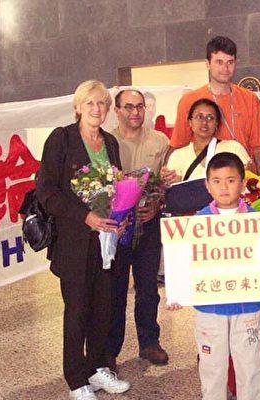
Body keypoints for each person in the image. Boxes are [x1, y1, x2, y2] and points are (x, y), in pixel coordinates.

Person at [35, 80, 130, 400]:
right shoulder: (61, 139)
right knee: (77, 312)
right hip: (74, 243)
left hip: (107, 243)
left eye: (102, 103)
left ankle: (98, 367)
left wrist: (122, 215)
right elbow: (47, 191)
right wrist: (85, 216)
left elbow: (118, 188)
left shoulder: (111, 143)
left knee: (104, 308)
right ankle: (76, 378)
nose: (97, 109)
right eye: (90, 103)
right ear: (78, 107)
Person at [167, 152, 260, 400]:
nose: (224, 187)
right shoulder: (197, 222)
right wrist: (177, 291)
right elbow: (184, 262)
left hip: (247, 307)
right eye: (216, 181)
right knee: (212, 369)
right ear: (207, 185)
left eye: (230, 180)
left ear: (242, 183)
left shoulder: (256, 221)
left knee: (253, 367)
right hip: (210, 309)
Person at [106, 89, 170, 370]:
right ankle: (109, 350)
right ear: (117, 110)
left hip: (149, 223)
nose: (135, 112)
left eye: (140, 107)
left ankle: (149, 342)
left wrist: (157, 204)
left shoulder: (160, 141)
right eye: (128, 107)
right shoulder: (105, 142)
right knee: (115, 290)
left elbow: (166, 182)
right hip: (116, 228)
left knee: (148, 288)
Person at [170, 36, 260, 174]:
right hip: (204, 179)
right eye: (219, 62)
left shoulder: (250, 99)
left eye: (230, 62)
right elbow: (178, 145)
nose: (225, 68)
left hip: (244, 178)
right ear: (207, 63)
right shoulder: (189, 100)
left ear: (236, 63)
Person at [162, 98, 250, 184]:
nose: (204, 122)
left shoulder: (233, 148)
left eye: (210, 118)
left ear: (216, 123)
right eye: (199, 117)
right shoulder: (178, 156)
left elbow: (247, 183)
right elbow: (174, 192)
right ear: (190, 122)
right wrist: (171, 181)